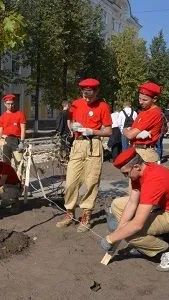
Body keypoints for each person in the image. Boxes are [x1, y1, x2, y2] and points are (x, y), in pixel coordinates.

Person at [101, 147, 169, 272]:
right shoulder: (140, 173)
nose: (125, 176)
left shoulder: (153, 180)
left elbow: (137, 225)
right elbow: (132, 202)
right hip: (160, 207)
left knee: (132, 233)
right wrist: (120, 230)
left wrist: (111, 238)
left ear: (136, 166)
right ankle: (144, 243)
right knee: (117, 205)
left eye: (126, 173)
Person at [55, 78, 112, 232]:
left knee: (91, 182)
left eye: (89, 95)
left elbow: (108, 131)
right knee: (71, 182)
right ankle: (70, 212)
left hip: (94, 145)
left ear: (96, 91)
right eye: (84, 94)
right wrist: (74, 127)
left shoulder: (103, 107)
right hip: (78, 144)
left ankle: (86, 215)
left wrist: (92, 131)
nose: (86, 98)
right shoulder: (76, 104)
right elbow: (70, 122)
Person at [122, 82, 163, 163]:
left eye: (145, 100)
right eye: (139, 98)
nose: (141, 102)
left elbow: (130, 135)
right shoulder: (144, 112)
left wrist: (125, 130)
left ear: (154, 99)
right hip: (138, 150)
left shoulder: (153, 113)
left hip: (145, 153)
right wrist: (133, 133)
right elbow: (131, 133)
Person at [0, 94, 27, 167]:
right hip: (5, 141)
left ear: (14, 103)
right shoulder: (2, 117)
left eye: (12, 103)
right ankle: (8, 178)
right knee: (6, 164)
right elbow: (0, 131)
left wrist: (22, 142)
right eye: (8, 104)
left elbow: (23, 129)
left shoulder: (20, 114)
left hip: (17, 141)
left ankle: (20, 178)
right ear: (4, 104)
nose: (10, 105)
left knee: (19, 163)